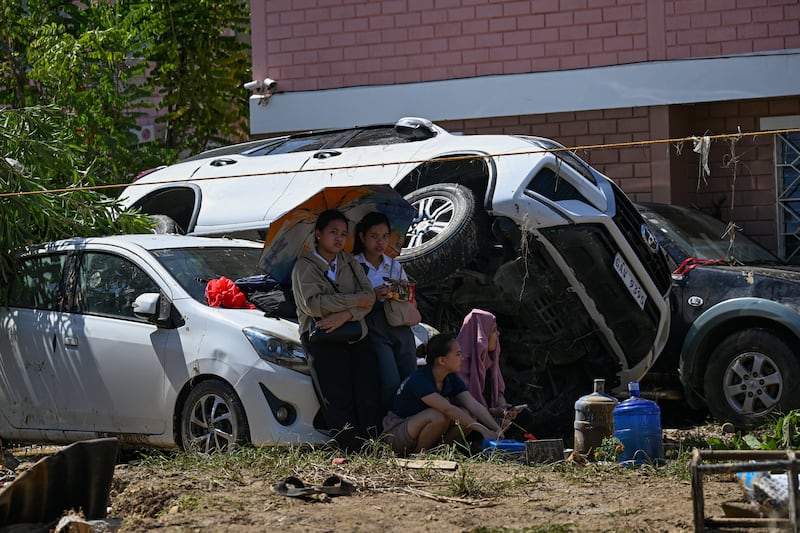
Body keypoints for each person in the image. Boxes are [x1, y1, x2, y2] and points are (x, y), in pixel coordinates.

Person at [291, 209, 380, 453]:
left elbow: (370, 298)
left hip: (354, 334)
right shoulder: (304, 266)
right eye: (333, 232)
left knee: (365, 391)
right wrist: (353, 301)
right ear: (318, 234)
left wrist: (345, 315)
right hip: (322, 337)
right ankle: (349, 448)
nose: (339, 238)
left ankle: (371, 445)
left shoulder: (350, 262)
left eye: (343, 233)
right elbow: (313, 304)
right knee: (336, 395)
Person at [382, 333, 503, 457]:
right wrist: (483, 430)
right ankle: (418, 456)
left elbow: (473, 404)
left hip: (419, 431)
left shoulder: (450, 377)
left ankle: (440, 451)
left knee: (468, 415)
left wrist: (497, 429)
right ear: (442, 360)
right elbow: (447, 409)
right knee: (438, 416)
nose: (462, 358)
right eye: (458, 354)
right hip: (396, 434)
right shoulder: (420, 379)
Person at [353, 211, 418, 415]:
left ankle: (412, 424)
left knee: (410, 376)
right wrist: (373, 295)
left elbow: (410, 296)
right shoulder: (353, 264)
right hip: (374, 325)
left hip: (400, 324)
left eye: (384, 236)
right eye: (374, 236)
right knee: (389, 380)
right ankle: (390, 427)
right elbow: (348, 296)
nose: (380, 242)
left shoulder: (394, 265)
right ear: (362, 237)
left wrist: (396, 291)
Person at [456, 308, 530, 437]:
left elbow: (499, 394)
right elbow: (468, 405)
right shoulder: (458, 365)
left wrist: (503, 409)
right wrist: (493, 413)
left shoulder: (489, 360)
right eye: (494, 330)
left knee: (526, 416)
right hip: (472, 418)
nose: (498, 334)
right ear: (482, 336)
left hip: (491, 416)